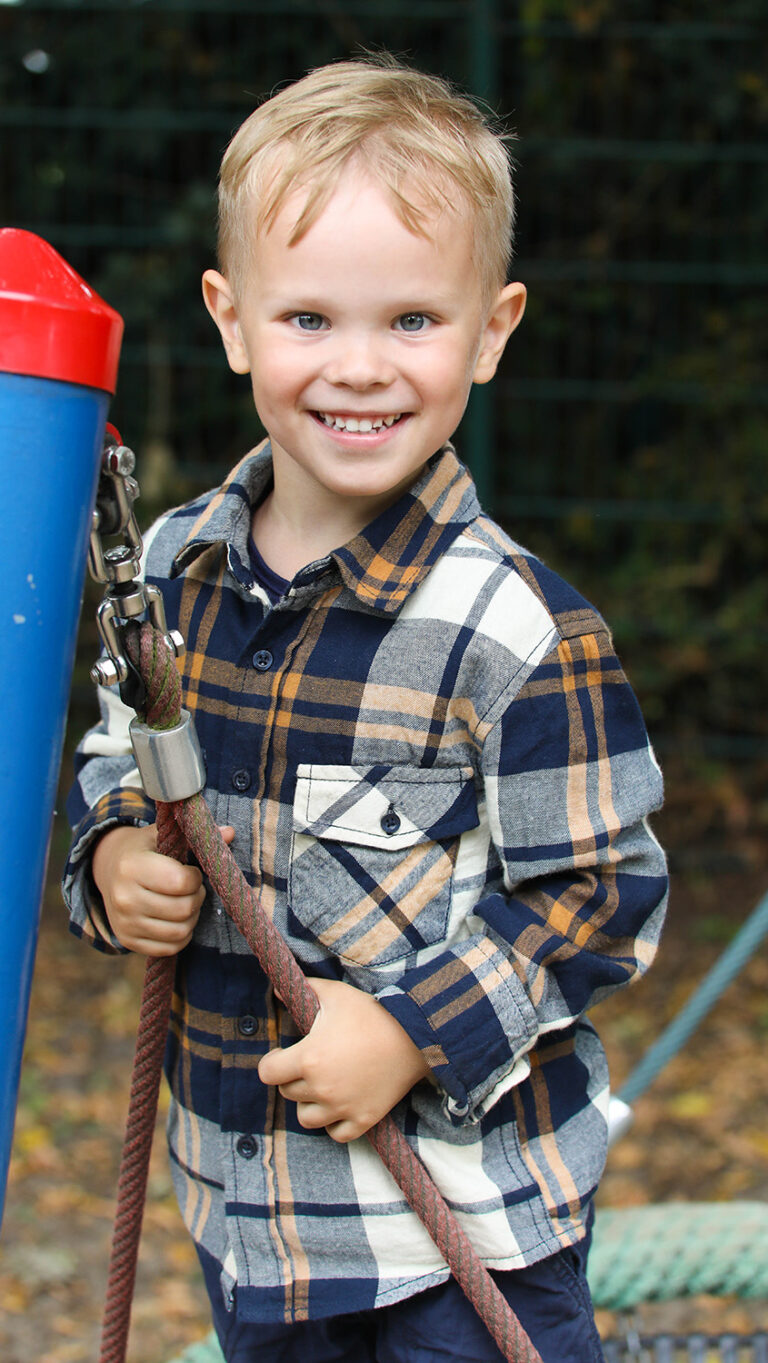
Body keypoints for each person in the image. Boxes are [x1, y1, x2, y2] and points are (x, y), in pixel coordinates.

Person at [64, 55, 668, 1363]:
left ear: (493, 331)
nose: (359, 369)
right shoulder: (168, 568)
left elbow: (599, 894)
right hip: (250, 1218)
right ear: (230, 321)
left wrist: (410, 1030)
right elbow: (123, 745)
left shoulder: (516, 630)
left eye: (411, 321)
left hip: (457, 1232)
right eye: (308, 321)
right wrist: (113, 853)